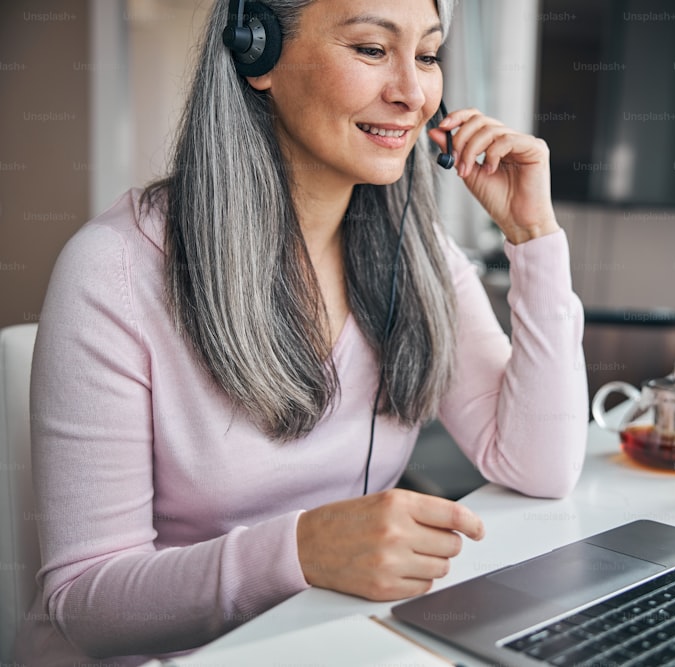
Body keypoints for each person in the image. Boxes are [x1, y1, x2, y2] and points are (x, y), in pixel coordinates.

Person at [14, 0, 588, 664]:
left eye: (427, 55)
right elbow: (87, 604)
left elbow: (539, 465)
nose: (412, 94)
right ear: (259, 53)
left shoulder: (416, 251)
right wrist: (299, 551)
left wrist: (534, 236)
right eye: (372, 50)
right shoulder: (114, 268)